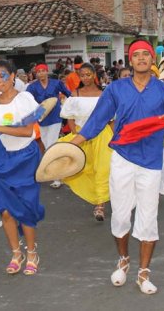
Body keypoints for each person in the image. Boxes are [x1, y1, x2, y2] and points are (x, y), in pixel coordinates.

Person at [70, 39, 164, 294]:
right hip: (121, 158)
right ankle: (123, 260)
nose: (141, 58)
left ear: (153, 60)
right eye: (136, 55)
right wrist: (70, 147)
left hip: (151, 163)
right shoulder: (116, 89)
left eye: (146, 54)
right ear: (130, 61)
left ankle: (144, 273)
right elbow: (96, 122)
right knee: (120, 215)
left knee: (148, 218)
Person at [0, 60, 44, 276]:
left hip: (24, 159)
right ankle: (16, 253)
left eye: (3, 76)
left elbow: (27, 131)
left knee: (25, 209)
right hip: (1, 160)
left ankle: (32, 252)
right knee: (6, 211)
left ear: (13, 76)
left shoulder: (25, 99)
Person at [58, 63, 111, 220]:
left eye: (88, 74)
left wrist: (115, 136)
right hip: (82, 136)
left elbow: (111, 118)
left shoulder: (104, 93)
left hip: (103, 135)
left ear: (94, 75)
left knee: (102, 169)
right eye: (82, 75)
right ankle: (95, 198)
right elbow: (70, 117)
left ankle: (100, 205)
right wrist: (76, 134)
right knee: (85, 169)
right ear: (78, 77)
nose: (86, 78)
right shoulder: (75, 94)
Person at [26, 62, 71, 188]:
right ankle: (60, 168)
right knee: (47, 144)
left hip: (55, 117)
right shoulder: (32, 86)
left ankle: (57, 177)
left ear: (47, 71)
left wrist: (70, 107)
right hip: (41, 118)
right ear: (36, 73)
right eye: (38, 71)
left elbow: (69, 94)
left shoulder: (56, 83)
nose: (41, 73)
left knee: (51, 144)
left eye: (43, 70)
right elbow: (26, 100)